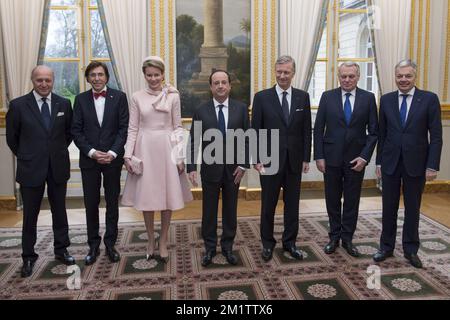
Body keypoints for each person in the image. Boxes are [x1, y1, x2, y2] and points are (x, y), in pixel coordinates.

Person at [6, 65, 75, 277]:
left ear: (53, 81)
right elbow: (12, 139)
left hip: (57, 167)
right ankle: (28, 257)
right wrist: (29, 155)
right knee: (30, 215)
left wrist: (54, 152)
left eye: (48, 80)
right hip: (30, 168)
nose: (44, 84)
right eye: (39, 80)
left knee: (59, 212)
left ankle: (61, 249)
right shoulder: (18, 106)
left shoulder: (64, 103)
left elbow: (68, 134)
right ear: (32, 81)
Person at [121, 56, 192, 263]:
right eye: (149, 75)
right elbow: (133, 128)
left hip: (167, 148)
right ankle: (151, 239)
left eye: (157, 74)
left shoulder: (173, 96)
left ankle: (163, 241)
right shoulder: (136, 97)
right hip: (144, 149)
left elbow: (178, 126)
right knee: (148, 198)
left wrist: (179, 154)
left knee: (167, 196)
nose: (153, 79)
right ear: (144, 75)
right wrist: (127, 154)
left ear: (163, 74)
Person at [373, 59, 442, 268]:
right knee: (388, 207)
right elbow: (382, 135)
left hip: (417, 164)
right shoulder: (386, 100)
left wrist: (432, 165)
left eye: (407, 76)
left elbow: (436, 136)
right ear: (395, 77)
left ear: (415, 77)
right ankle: (386, 247)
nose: (403, 80)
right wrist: (378, 162)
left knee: (413, 208)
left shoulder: (429, 99)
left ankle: (411, 250)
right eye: (400, 76)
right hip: (390, 162)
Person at [314, 62, 379, 257]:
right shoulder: (327, 97)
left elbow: (374, 132)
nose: (347, 80)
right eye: (344, 76)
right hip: (331, 159)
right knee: (332, 200)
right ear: (339, 77)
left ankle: (348, 239)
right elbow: (318, 130)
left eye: (351, 76)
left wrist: (365, 157)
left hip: (355, 161)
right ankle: (334, 237)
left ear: (358, 77)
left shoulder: (368, 98)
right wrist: (319, 156)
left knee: (352, 201)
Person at [252, 55, 312, 262]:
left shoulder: (302, 97)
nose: (282, 75)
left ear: (293, 73)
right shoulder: (261, 97)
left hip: (294, 161)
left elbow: (306, 131)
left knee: (292, 205)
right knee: (268, 205)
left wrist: (306, 157)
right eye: (279, 72)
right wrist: (256, 158)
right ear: (275, 72)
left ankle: (290, 243)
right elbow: (255, 131)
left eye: (286, 72)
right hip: (269, 161)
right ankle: (267, 244)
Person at [187, 69, 250, 267]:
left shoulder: (240, 109)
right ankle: (210, 248)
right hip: (210, 169)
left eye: (224, 82)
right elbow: (193, 140)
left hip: (234, 170)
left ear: (230, 86)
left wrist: (244, 164)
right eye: (217, 83)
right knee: (209, 211)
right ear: (211, 87)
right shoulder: (201, 110)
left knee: (231, 210)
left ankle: (228, 247)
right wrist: (191, 167)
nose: (221, 86)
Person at [71, 61, 129, 265]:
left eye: (100, 74)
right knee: (91, 204)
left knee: (112, 203)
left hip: (113, 161)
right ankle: (93, 245)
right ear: (87, 78)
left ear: (107, 77)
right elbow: (75, 130)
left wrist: (113, 153)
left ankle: (110, 244)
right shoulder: (79, 100)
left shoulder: (120, 97)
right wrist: (93, 153)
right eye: (93, 75)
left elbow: (124, 128)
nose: (97, 78)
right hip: (90, 161)